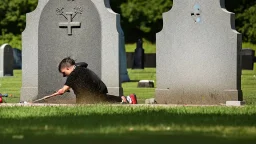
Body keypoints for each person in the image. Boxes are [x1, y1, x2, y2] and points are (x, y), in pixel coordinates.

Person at [56, 57, 137, 104]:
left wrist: (61, 91)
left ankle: (125, 99)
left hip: (95, 95)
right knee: (103, 99)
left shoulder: (73, 74)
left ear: (67, 68)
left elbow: (64, 89)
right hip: (97, 92)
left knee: (103, 100)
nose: (64, 75)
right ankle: (124, 99)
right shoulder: (80, 70)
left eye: (64, 73)